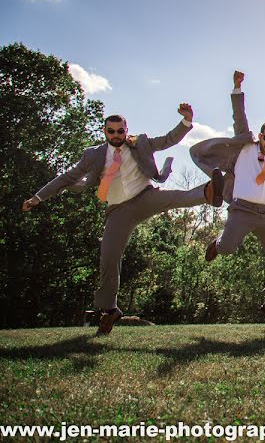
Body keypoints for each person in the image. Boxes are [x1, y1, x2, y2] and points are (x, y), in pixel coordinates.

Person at [23, 104, 224, 335]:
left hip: (144, 196)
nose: (116, 135)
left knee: (173, 198)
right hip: (118, 209)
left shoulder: (140, 142)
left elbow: (168, 140)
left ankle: (208, 192)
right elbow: (67, 177)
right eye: (111, 131)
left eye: (120, 131)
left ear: (126, 130)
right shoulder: (93, 155)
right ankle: (110, 310)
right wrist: (38, 197)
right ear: (105, 132)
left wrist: (186, 121)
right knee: (108, 257)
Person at [190, 70, 265, 328]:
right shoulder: (244, 147)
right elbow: (239, 117)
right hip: (241, 210)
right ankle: (217, 243)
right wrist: (237, 88)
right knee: (228, 248)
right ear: (260, 135)